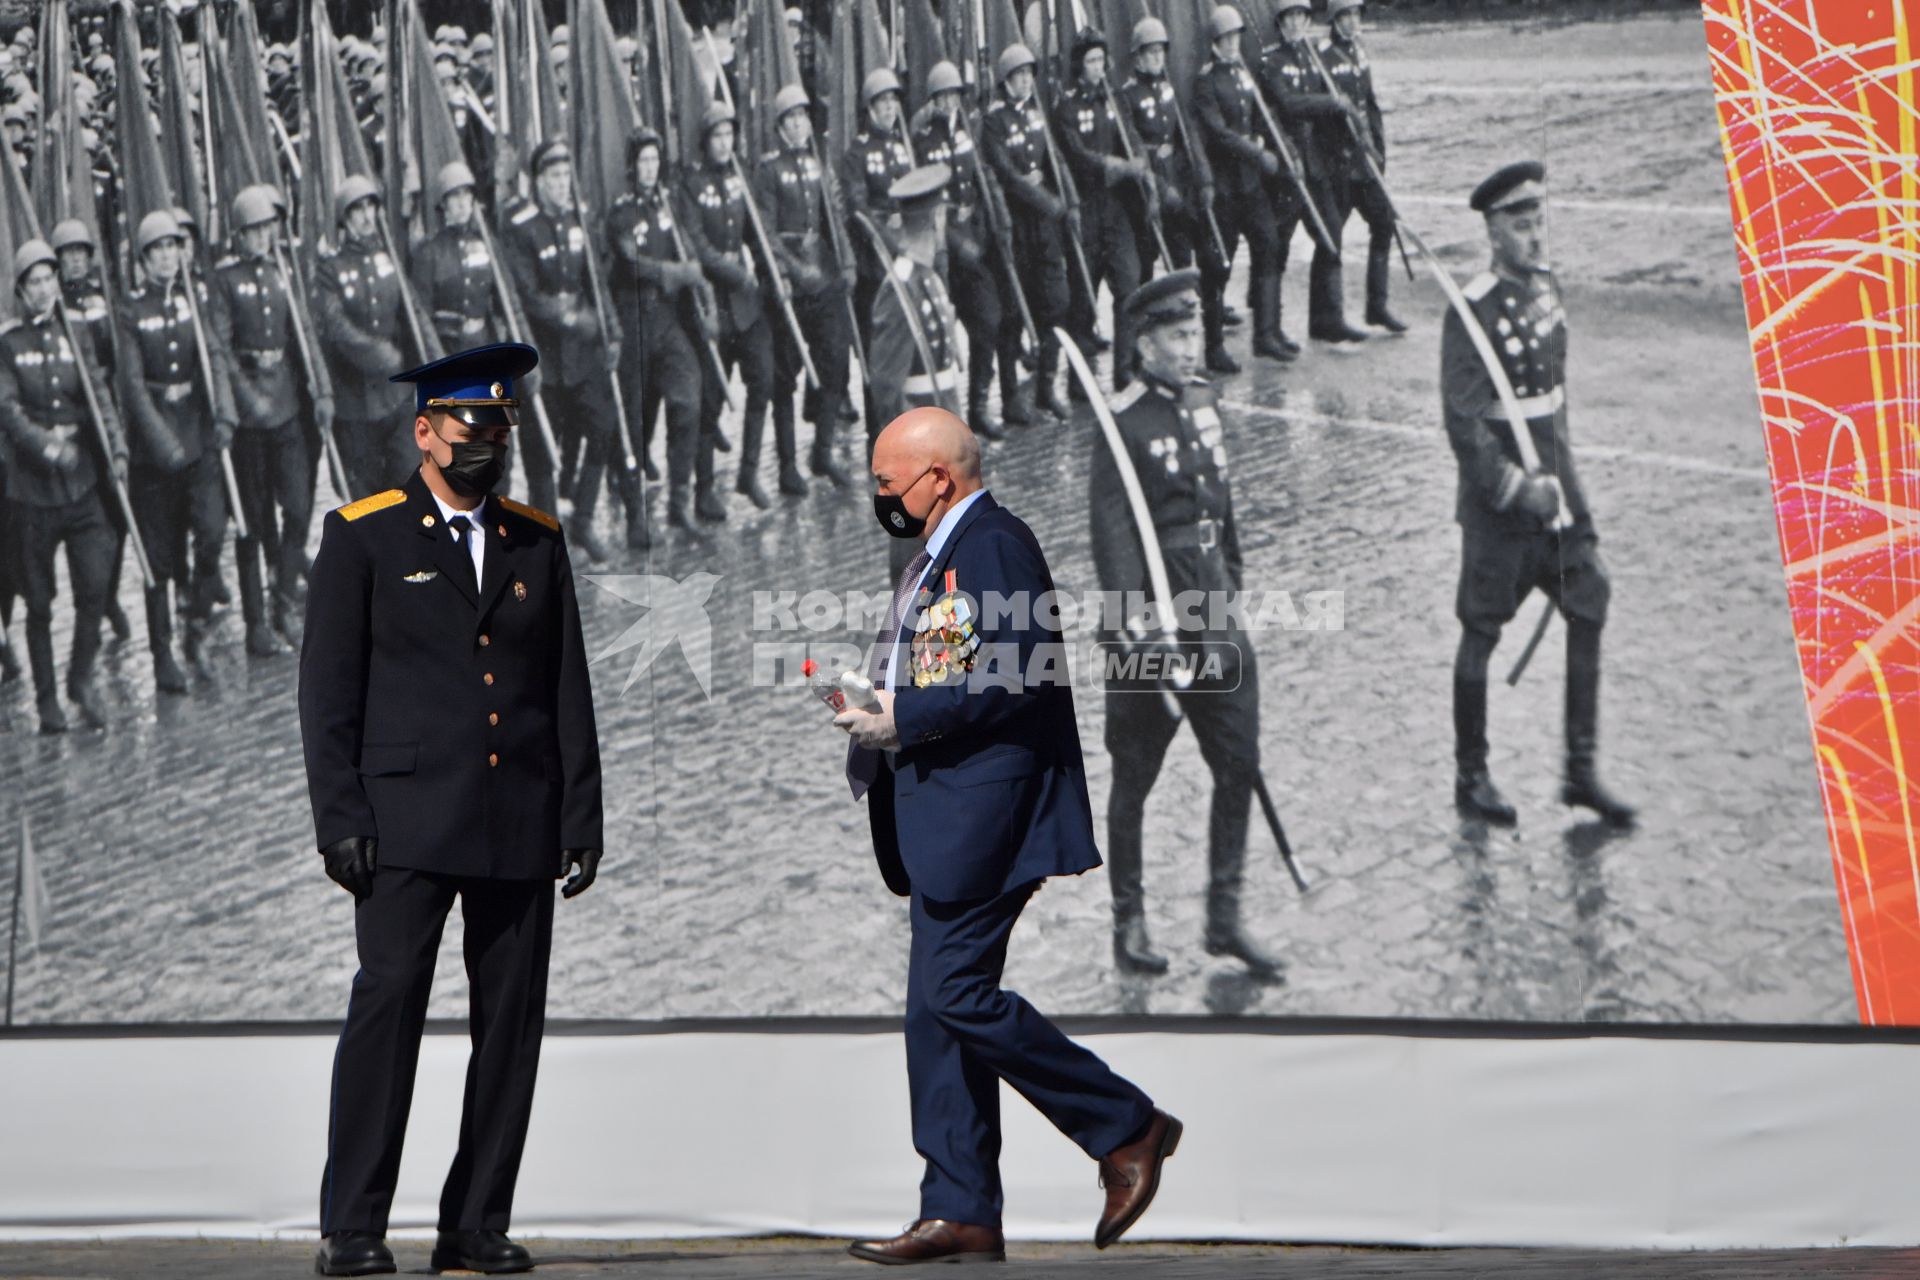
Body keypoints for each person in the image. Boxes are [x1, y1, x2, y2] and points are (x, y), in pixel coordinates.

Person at [835, 405, 1181, 1264]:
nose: (879, 497)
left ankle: (1126, 1126)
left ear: (938, 479)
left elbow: (1015, 677)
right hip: (946, 812)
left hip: (986, 816)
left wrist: (901, 718)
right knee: (934, 1015)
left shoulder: (992, 545)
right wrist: (883, 704)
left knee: (955, 995)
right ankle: (960, 1208)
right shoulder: (946, 550)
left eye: (888, 483)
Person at [299, 342, 604, 1279]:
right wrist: (340, 817)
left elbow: (567, 693)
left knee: (510, 1027)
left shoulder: (536, 541)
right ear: (424, 430)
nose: (485, 437)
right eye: (468, 422)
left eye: (498, 422)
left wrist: (581, 820)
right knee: (386, 1014)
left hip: (518, 816)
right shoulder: (364, 535)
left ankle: (474, 1222)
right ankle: (353, 1227)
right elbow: (328, 694)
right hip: (402, 825)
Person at [1089, 271, 1282, 978]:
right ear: (1142, 345)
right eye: (1174, 334)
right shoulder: (1123, 423)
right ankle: (1128, 920)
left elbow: (1222, 511)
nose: (1188, 345)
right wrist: (1140, 633)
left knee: (1238, 761)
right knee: (1134, 776)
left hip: (1215, 614)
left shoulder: (1204, 402)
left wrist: (1233, 583)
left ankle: (1225, 917)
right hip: (1155, 627)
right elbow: (1114, 542)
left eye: (1192, 331)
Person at [1443, 161, 1634, 829]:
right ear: (1493, 232)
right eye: (1519, 226)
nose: (1533, 237)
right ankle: (1472, 775)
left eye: (1536, 223)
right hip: (1501, 513)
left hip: (1558, 497)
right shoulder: (1472, 310)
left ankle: (1579, 772)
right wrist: (1519, 488)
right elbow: (1464, 424)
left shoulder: (1547, 291)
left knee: (1592, 596)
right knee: (1481, 633)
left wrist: (1567, 490)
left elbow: (1555, 402)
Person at [0, 239, 124, 732]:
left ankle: (81, 676)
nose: (45, 289)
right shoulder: (8, 343)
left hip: (82, 480)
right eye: (34, 282)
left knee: (96, 578)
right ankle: (48, 698)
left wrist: (115, 448)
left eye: (50, 279)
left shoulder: (75, 331)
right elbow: (7, 411)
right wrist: (46, 448)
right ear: (21, 289)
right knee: (39, 601)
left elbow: (97, 393)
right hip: (32, 488)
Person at [115, 208, 236, 689]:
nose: (166, 257)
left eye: (171, 247)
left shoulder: (192, 298)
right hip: (154, 453)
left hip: (199, 436)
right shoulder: (131, 312)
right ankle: (163, 651)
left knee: (211, 531)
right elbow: (132, 387)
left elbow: (214, 359)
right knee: (160, 557)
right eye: (156, 251)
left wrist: (224, 413)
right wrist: (160, 442)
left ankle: (197, 625)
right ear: (143, 261)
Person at [211, 184, 331, 658]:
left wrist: (321, 390)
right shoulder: (224, 280)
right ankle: (256, 623)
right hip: (247, 416)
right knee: (253, 521)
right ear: (239, 234)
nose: (264, 237)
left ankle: (283, 598)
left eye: (268, 228)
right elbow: (219, 347)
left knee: (299, 508)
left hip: (285, 406)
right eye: (255, 230)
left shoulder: (285, 269)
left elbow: (302, 334)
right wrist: (243, 400)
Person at [503, 139, 621, 548]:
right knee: (541, 454)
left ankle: (584, 517)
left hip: (582, 357)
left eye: (565, 176)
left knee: (603, 427)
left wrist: (612, 329)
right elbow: (527, 295)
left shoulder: (579, 220)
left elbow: (595, 282)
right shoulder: (520, 227)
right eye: (553, 177)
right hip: (542, 359)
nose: (562, 184)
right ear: (538, 181)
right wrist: (569, 315)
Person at [608, 126, 709, 536]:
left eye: (655, 161)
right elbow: (631, 263)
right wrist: (673, 272)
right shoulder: (621, 212)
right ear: (632, 167)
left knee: (687, 400)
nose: (650, 169)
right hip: (633, 324)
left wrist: (693, 273)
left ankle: (680, 502)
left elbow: (685, 245)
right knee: (632, 420)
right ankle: (636, 514)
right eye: (643, 162)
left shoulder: (667, 206)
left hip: (667, 323)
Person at [1121, 17, 1233, 375]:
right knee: (1146, 280)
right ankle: (1141, 358)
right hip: (1148, 197)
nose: (1156, 59)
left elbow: (1187, 134)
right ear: (1137, 57)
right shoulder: (1128, 95)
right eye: (1150, 53)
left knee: (1191, 271)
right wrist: (1158, 183)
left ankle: (1206, 349)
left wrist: (1202, 175)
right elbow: (1134, 146)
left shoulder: (1169, 88)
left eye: (1160, 52)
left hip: (1180, 193)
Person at [753, 83, 849, 498]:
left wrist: (845, 262)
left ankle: (823, 449)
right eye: (791, 119)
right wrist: (790, 271)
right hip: (790, 282)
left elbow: (833, 217)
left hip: (823, 275)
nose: (799, 125)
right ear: (779, 127)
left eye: (803, 117)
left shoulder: (818, 163)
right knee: (785, 377)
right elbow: (767, 234)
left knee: (836, 360)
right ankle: (789, 465)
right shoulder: (769, 170)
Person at [681, 102, 775, 524]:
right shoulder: (691, 183)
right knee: (710, 399)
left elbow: (756, 233)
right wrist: (737, 273)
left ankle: (749, 472)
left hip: (748, 305)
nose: (725, 142)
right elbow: (697, 247)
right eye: (717, 135)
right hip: (714, 304)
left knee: (764, 381)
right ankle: (703, 490)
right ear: (705, 141)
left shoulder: (741, 178)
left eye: (729, 134)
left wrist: (773, 270)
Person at [911, 59, 1006, 441]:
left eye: (954, 95)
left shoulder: (969, 130)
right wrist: (953, 238)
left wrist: (990, 223)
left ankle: (980, 404)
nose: (950, 102)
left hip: (974, 241)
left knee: (988, 321)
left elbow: (980, 179)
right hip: (942, 250)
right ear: (933, 100)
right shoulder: (922, 140)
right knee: (941, 336)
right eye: (943, 96)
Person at [1055, 27, 1152, 392]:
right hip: (1085, 206)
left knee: (1129, 286)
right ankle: (1080, 380)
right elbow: (1076, 155)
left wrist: (1139, 159)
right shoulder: (1067, 105)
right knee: (1084, 296)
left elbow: (1131, 134)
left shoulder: (1116, 99)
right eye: (1090, 61)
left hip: (1116, 210)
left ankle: (1124, 370)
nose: (1097, 67)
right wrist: (1117, 166)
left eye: (1101, 60)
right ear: (1080, 65)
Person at [1194, 5, 1290, 362]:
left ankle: (1267, 333)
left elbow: (1258, 116)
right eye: (1227, 38)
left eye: (1236, 37)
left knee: (1270, 245)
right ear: (1215, 43)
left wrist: (1270, 142)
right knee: (1219, 266)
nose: (1233, 44)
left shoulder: (1242, 73)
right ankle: (1214, 345)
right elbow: (1219, 135)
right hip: (1225, 189)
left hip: (1251, 185)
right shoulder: (1206, 81)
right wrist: (1256, 152)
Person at [983, 43, 1072, 425]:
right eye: (1017, 75)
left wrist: (1067, 200)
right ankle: (1010, 399)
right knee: (1012, 313)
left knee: (1056, 303)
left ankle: (1046, 387)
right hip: (1016, 225)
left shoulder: (1038, 115)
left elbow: (1052, 162)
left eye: (1028, 74)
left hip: (1044, 228)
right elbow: (1007, 175)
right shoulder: (994, 122)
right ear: (1005, 81)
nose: (1025, 81)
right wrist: (1043, 198)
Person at [314, 177, 417, 500]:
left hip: (396, 396)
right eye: (356, 209)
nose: (366, 215)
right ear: (343, 219)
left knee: (410, 477)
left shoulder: (389, 260)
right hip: (354, 400)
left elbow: (413, 316)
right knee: (366, 496)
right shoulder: (330, 269)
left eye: (370, 206)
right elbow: (336, 326)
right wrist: (378, 355)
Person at [1315, 0, 1403, 336]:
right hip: (1338, 162)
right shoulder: (1321, 56)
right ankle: (1327, 317)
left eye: (1356, 14)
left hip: (1364, 162)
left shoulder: (1359, 52)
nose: (1353, 21)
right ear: (1334, 20)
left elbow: (1371, 105)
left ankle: (1376, 306)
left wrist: (1379, 150)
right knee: (1331, 236)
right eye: (1346, 15)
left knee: (1384, 222)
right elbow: (1318, 115)